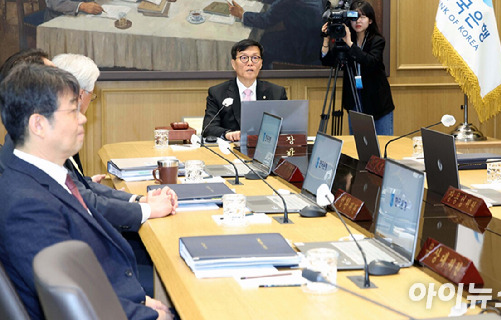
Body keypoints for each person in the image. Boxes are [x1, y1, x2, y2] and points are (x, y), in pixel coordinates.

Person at [0, 64, 172, 319]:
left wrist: (140, 299)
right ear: (38, 124)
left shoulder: (45, 177)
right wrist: (147, 313)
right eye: (71, 110)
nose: (82, 117)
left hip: (121, 295)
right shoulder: (26, 204)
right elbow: (72, 301)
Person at [0, 50, 178, 232]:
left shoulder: (35, 148)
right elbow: (82, 203)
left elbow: (78, 187)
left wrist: (139, 200)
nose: (81, 118)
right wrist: (146, 208)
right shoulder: (26, 165)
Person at [321, 0, 394, 135]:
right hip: (354, 99)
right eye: (354, 17)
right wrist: (326, 40)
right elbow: (328, 61)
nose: (358, 21)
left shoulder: (377, 40)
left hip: (377, 102)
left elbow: (370, 62)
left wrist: (349, 43)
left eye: (363, 17)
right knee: (359, 147)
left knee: (382, 147)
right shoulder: (345, 39)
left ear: (370, 20)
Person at [228, 0, 323, 69]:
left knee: (255, 48)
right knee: (265, 38)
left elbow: (266, 20)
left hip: (302, 46)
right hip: (310, 36)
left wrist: (242, 14)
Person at [202, 39, 287, 141]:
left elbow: (286, 127)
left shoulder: (276, 92)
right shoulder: (217, 92)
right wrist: (228, 134)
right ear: (233, 64)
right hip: (230, 151)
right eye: (244, 58)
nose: (250, 63)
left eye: (255, 58)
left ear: (260, 64)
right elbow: (208, 129)